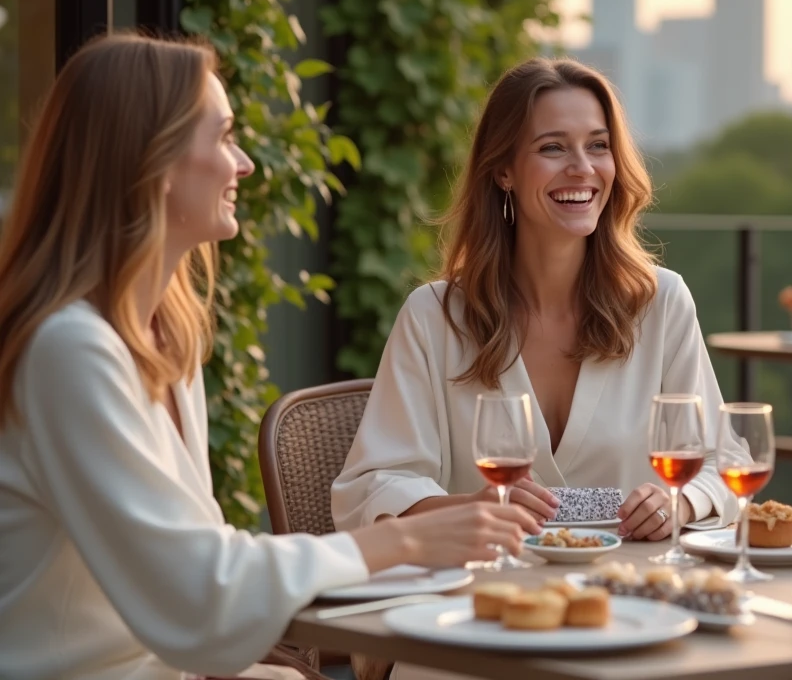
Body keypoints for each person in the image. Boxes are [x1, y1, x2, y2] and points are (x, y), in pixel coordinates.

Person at [0, 34, 539, 680]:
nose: (245, 164)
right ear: (155, 160)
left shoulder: (163, 338)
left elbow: (199, 576)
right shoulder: (70, 351)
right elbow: (200, 592)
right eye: (224, 137)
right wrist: (404, 540)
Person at [331, 58, 738, 541]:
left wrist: (681, 502)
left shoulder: (660, 302)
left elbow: (721, 463)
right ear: (504, 170)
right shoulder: (434, 317)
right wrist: (468, 508)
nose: (582, 168)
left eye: (598, 146)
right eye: (552, 147)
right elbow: (372, 486)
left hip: (632, 597)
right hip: (483, 599)